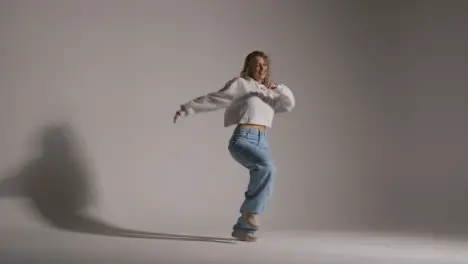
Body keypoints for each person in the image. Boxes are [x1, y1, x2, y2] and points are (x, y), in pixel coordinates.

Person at [173, 50, 295, 242]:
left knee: (265, 174)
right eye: (257, 64)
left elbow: (288, 105)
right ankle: (250, 212)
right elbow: (215, 99)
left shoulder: (268, 93)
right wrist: (187, 108)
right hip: (243, 138)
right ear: (248, 67)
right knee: (268, 169)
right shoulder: (241, 84)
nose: (261, 68)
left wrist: (279, 88)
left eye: (264, 65)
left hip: (262, 140)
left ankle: (243, 229)